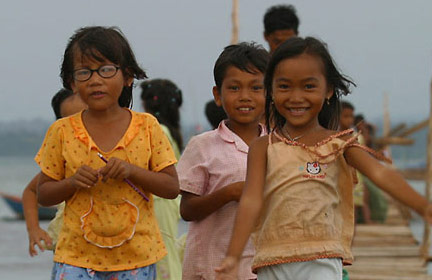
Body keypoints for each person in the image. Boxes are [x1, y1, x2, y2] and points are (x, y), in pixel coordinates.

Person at [215, 37, 432, 280]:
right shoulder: (263, 147)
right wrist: (233, 256)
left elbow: (380, 174)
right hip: (270, 260)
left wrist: (424, 207)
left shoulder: (339, 144)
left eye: (309, 86)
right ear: (271, 90)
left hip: (320, 257)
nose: (296, 97)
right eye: (284, 86)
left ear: (329, 90)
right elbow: (251, 201)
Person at [36, 26, 179, 280]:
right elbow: (44, 194)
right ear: (72, 82)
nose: (95, 79)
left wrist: (133, 171)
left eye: (106, 69)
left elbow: (171, 187)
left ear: (127, 76)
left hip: (137, 258)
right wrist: (71, 183)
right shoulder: (61, 131)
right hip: (75, 259)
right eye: (84, 72)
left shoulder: (147, 127)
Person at [177, 42, 269, 280]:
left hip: (264, 266)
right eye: (234, 88)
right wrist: (229, 193)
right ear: (218, 95)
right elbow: (187, 210)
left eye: (256, 88)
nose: (245, 97)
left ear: (270, 93)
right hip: (212, 268)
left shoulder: (279, 145)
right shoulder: (202, 146)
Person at [22, 89, 87, 257]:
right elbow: (30, 191)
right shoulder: (65, 160)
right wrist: (34, 229)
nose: (81, 129)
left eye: (86, 118)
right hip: (69, 247)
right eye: (72, 123)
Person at [140, 78, 184, 280]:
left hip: (157, 201)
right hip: (165, 202)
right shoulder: (171, 131)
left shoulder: (157, 130)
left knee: (161, 252)